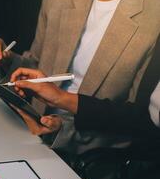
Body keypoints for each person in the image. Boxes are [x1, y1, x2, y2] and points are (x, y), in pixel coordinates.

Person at [0, 0, 160, 152]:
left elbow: (136, 119)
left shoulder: (154, 14)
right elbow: (38, 63)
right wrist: (8, 61)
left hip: (90, 152)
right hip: (29, 130)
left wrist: (62, 127)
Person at [10, 33, 160, 153]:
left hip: (101, 160)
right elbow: (36, 59)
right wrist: (10, 62)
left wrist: (62, 101)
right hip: (31, 134)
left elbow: (138, 122)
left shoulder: (152, 26)